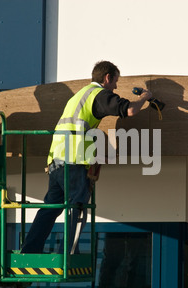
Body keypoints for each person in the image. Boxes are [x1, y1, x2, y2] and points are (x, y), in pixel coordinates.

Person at [20, 60, 152, 254]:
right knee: (78, 206)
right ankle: (67, 254)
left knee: (51, 209)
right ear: (107, 78)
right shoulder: (99, 95)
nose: (116, 87)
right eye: (115, 81)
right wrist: (145, 98)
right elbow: (130, 110)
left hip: (56, 160)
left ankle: (29, 250)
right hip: (73, 161)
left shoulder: (79, 96)